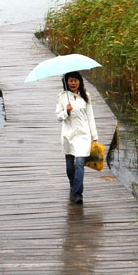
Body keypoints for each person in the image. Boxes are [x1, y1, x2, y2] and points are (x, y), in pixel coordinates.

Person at [55, 71, 98, 204]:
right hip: (68, 135)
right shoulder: (62, 97)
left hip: (83, 135)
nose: (73, 83)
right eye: (70, 80)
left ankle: (78, 193)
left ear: (80, 82)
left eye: (75, 80)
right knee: (70, 166)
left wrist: (94, 136)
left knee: (79, 163)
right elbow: (58, 117)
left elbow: (90, 117)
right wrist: (66, 111)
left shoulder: (86, 96)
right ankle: (73, 184)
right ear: (66, 83)